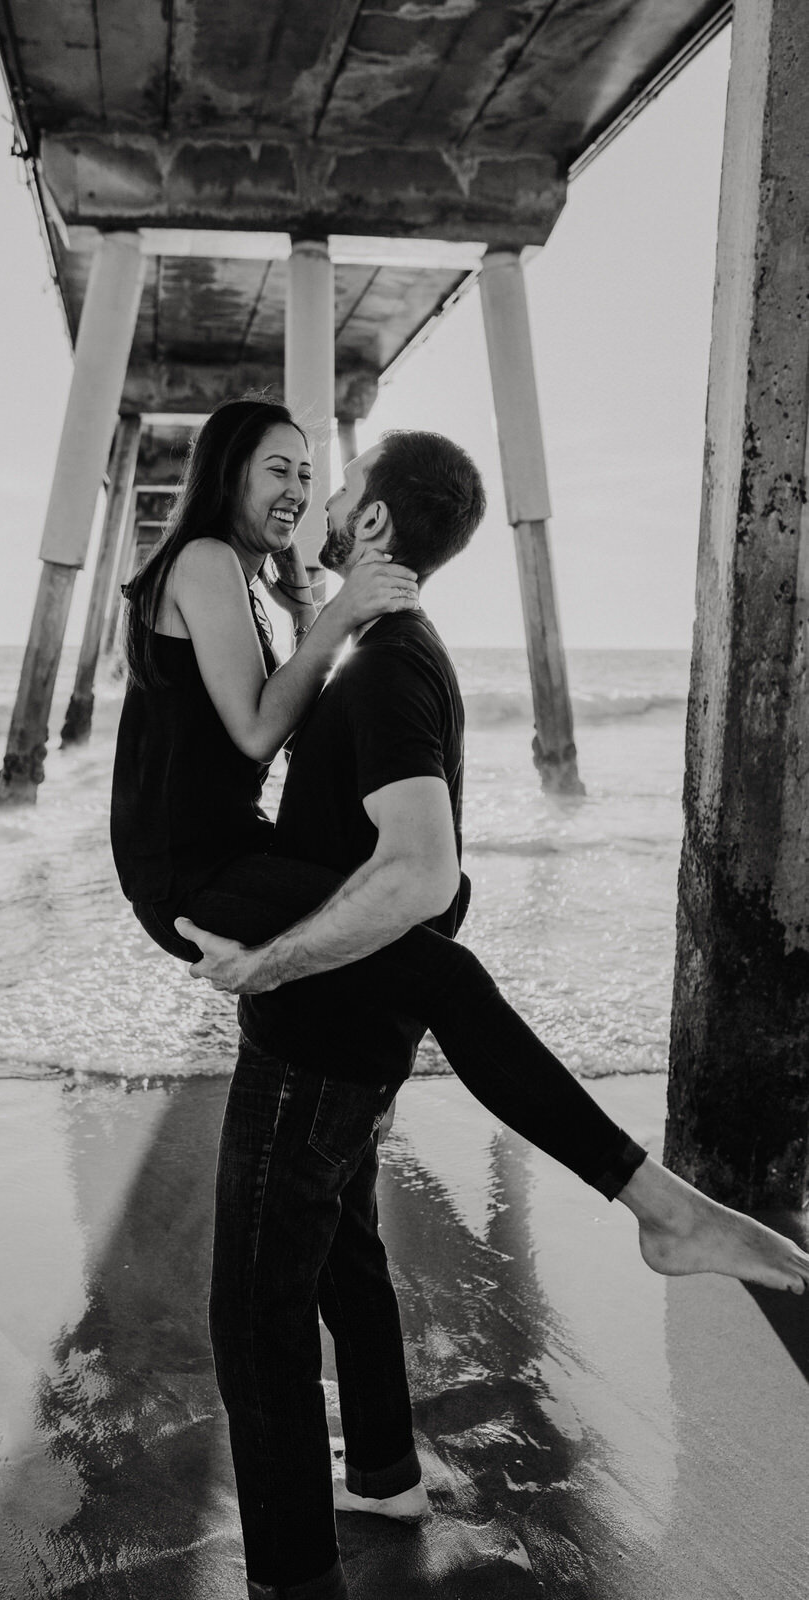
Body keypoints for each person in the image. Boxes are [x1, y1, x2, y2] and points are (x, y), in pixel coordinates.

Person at [111, 405, 809, 1600]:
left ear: (375, 518)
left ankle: (292, 1569)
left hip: (311, 1012)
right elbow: (263, 739)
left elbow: (413, 865)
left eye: (326, 481)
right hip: (242, 912)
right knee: (344, 1235)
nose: (311, 496)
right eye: (286, 469)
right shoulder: (363, 634)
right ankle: (385, 1462)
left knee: (261, 1304)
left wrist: (272, 963)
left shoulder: (378, 658)